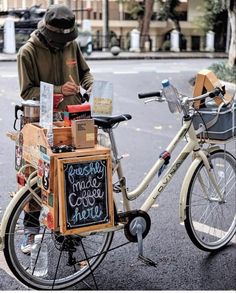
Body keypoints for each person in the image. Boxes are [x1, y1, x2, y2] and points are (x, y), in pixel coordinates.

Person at [17, 4, 94, 254]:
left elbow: (84, 73)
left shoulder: (71, 44)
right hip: (41, 122)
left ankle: (68, 230)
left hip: (74, 119)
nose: (63, 44)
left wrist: (92, 87)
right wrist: (60, 89)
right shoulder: (28, 52)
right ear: (48, 34)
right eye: (59, 40)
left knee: (74, 175)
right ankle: (30, 231)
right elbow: (27, 92)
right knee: (38, 176)